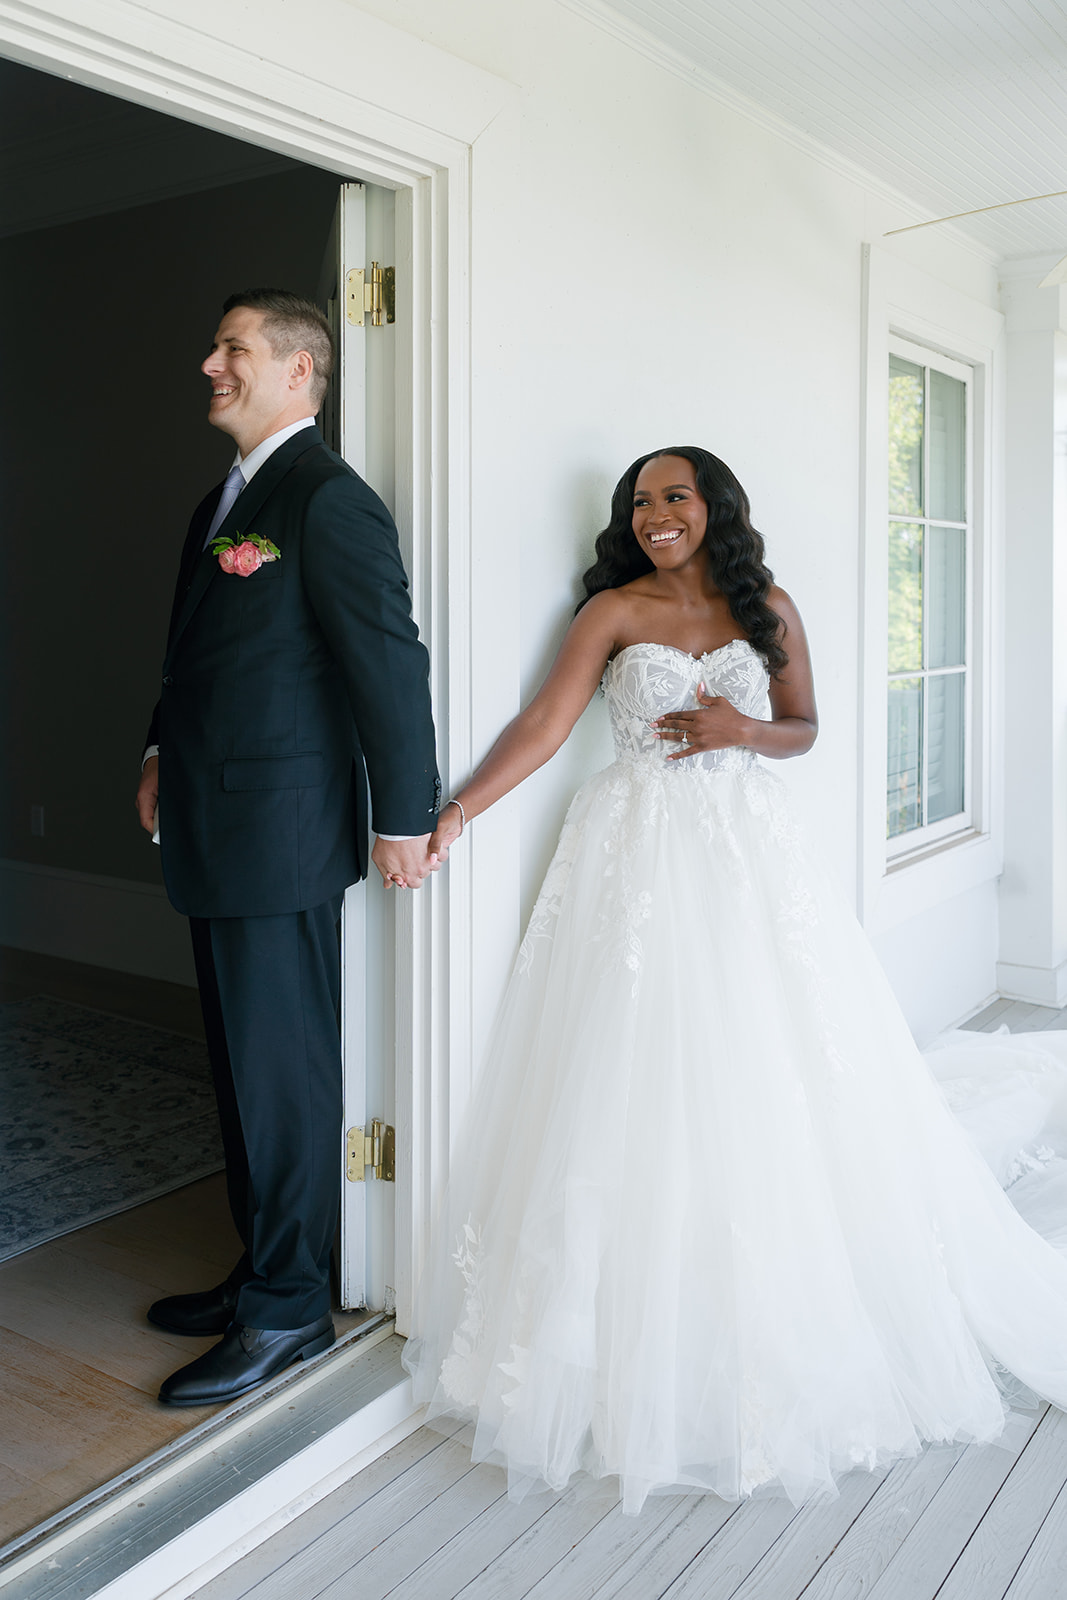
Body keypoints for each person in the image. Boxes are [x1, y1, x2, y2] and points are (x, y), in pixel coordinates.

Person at [403, 445, 1067, 1514]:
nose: (657, 513)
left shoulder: (768, 605)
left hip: (749, 856)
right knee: (638, 1084)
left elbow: (803, 730)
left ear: (712, 507)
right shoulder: (611, 613)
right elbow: (542, 726)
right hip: (637, 859)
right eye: (640, 501)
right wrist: (453, 811)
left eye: (675, 495)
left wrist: (740, 730)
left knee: (771, 1071)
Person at [136, 288, 440, 1408]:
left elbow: (387, 667)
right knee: (237, 1070)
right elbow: (198, 657)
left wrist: (402, 816)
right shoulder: (228, 499)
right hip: (215, 821)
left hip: (282, 833)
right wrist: (162, 744)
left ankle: (286, 1312)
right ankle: (258, 1266)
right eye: (217, 346)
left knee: (282, 1076)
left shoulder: (327, 501)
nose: (210, 364)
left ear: (299, 370)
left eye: (233, 349)